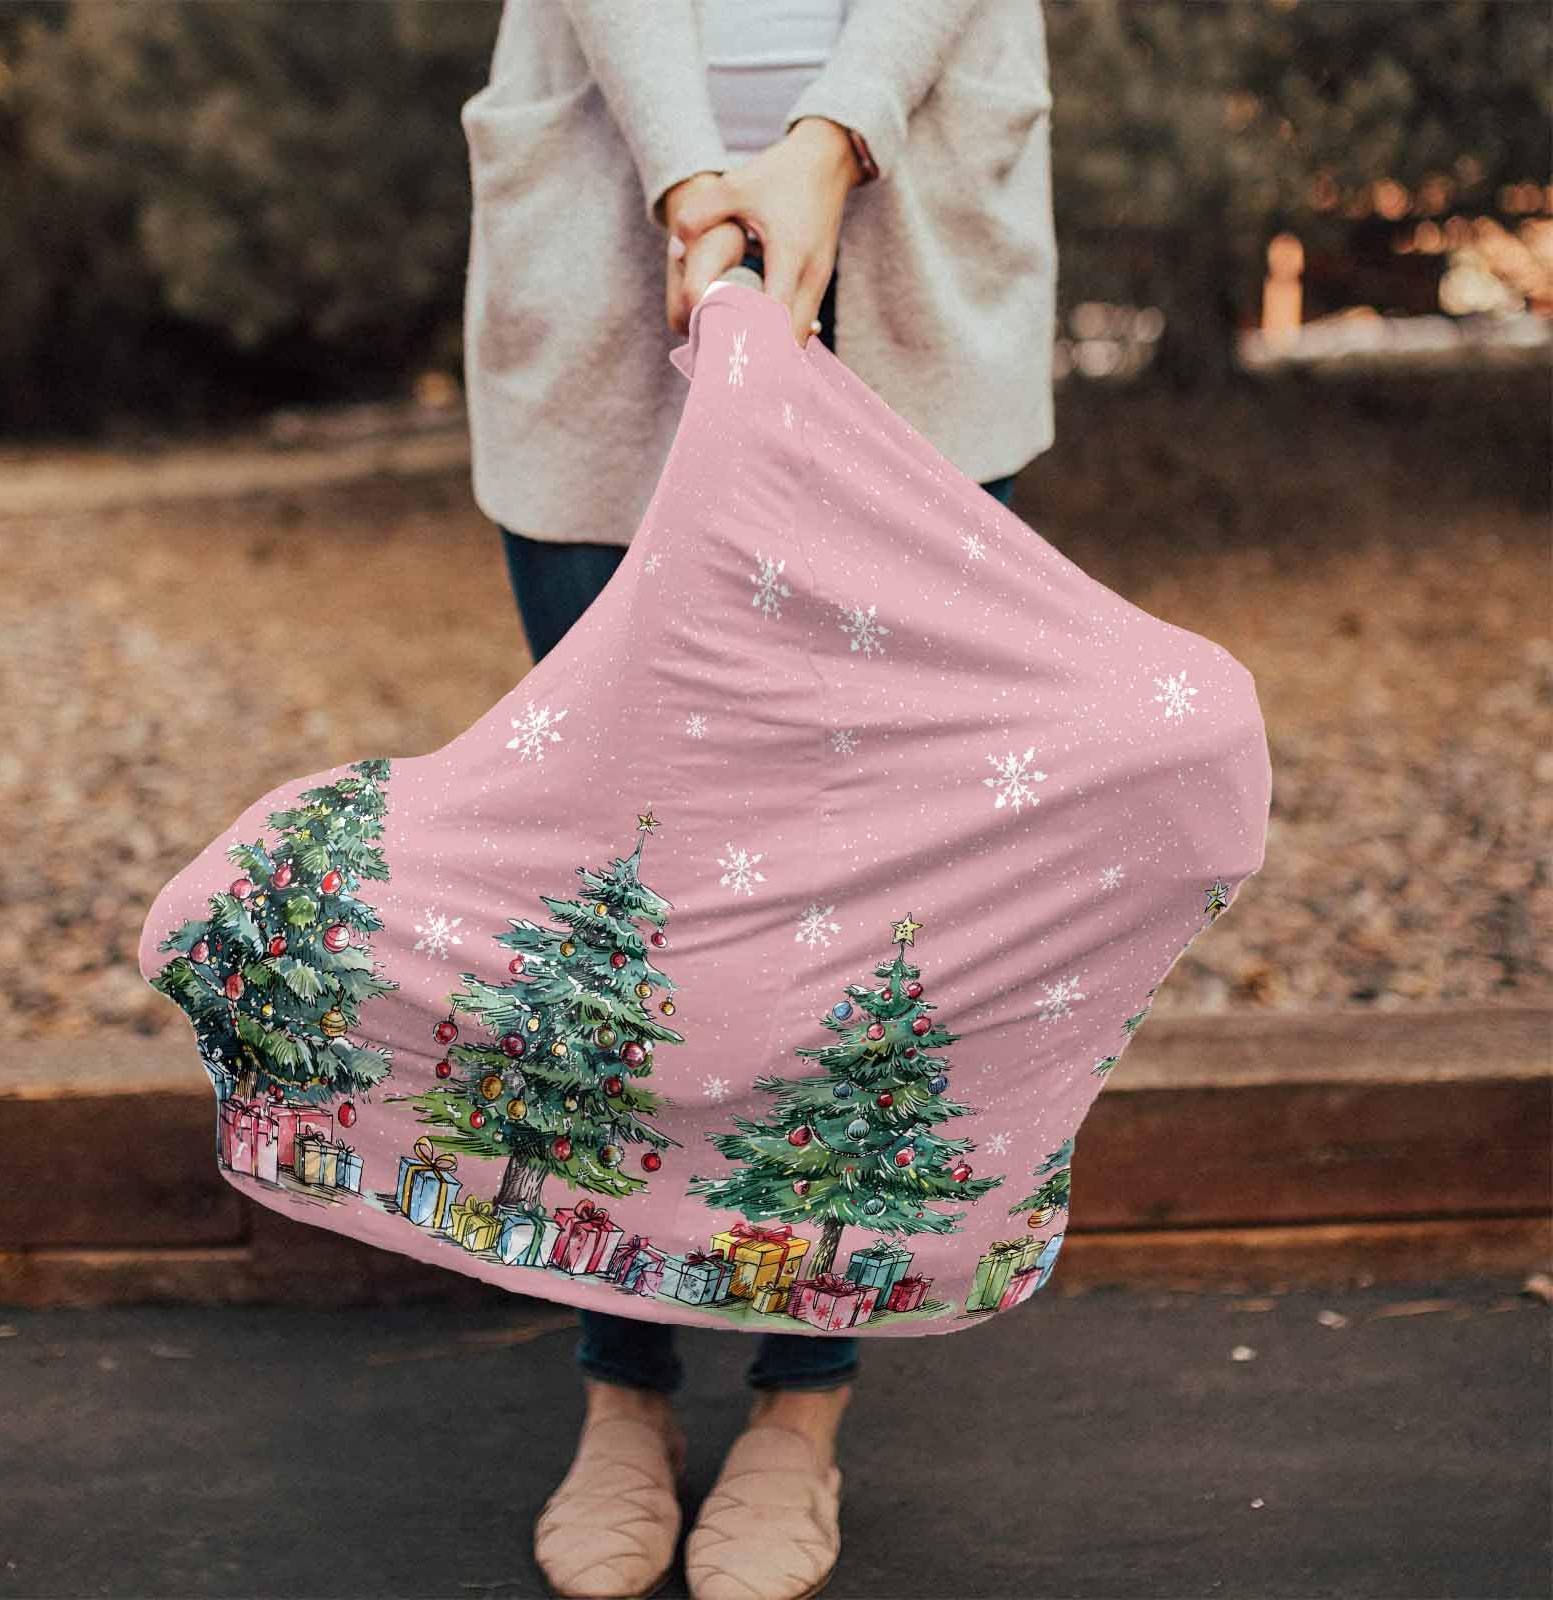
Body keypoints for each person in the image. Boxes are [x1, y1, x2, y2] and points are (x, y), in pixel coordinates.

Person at [458, 5, 1057, 1596]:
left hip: (912, 226)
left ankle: (802, 1404)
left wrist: (831, 135)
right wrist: (688, 177)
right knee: (618, 878)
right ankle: (623, 1386)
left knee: (861, 894)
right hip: (611, 221)